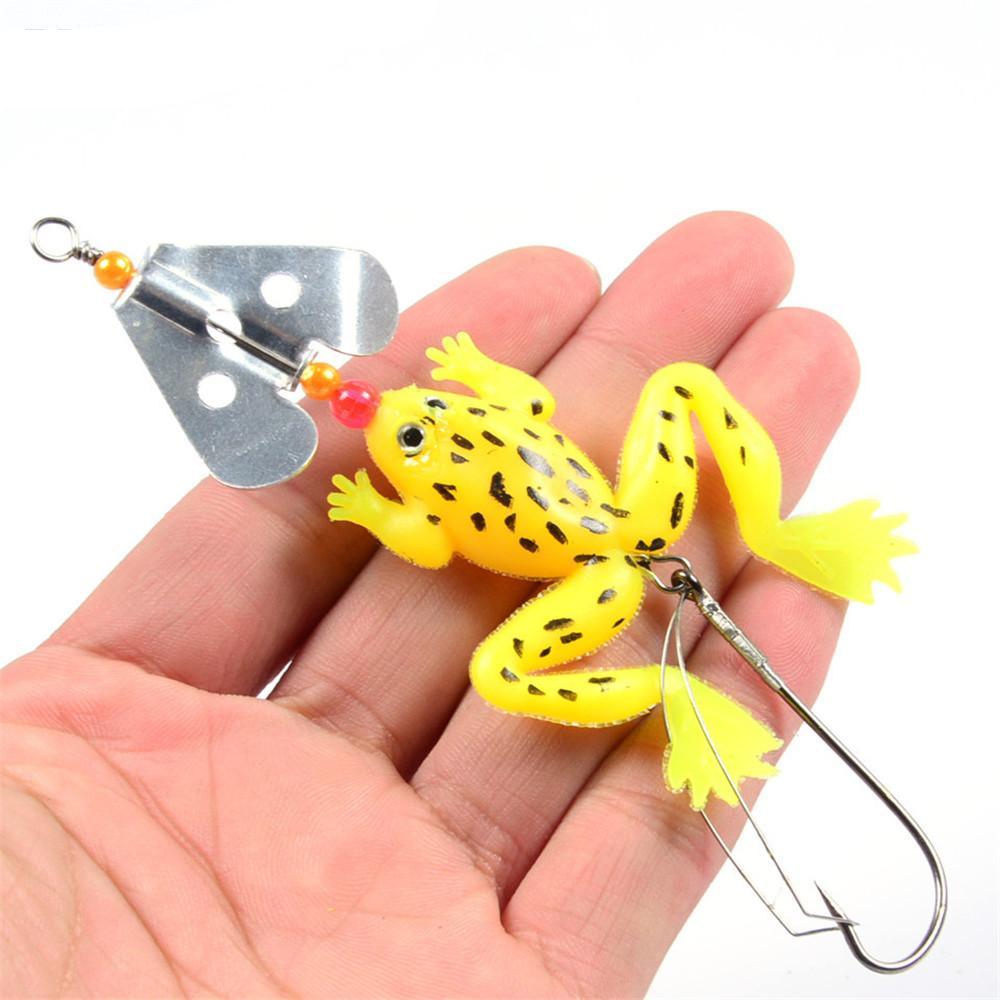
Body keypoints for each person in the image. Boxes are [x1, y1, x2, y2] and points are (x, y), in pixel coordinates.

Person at [0, 212, 855, 998]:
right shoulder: (437, 453)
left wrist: (407, 472)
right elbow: (483, 472)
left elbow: (464, 496)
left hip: (620, 548)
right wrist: (404, 477)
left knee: (671, 393)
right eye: (412, 431)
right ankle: (675, 688)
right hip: (615, 547)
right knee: (514, 644)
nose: (408, 415)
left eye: (426, 415)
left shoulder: (441, 446)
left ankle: (766, 542)